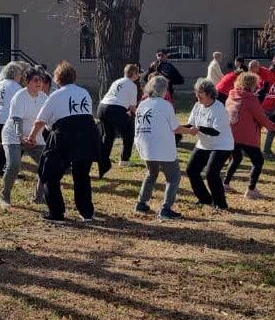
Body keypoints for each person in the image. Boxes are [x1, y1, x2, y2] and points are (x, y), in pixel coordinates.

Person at [26, 61, 99, 223]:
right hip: (87, 134)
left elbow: (41, 120)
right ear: (74, 77)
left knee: (49, 174)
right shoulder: (84, 92)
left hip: (64, 135)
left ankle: (57, 213)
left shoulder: (56, 95)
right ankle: (86, 213)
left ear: (57, 79)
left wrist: (31, 137)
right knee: (81, 175)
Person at [134, 75, 196, 218]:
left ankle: (141, 203)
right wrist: (191, 131)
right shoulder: (165, 105)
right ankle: (166, 208)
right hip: (162, 147)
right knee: (173, 177)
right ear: (164, 90)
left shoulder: (142, 104)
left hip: (145, 145)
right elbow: (175, 128)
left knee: (151, 173)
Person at [224, 72, 275, 200]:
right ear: (252, 84)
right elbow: (261, 117)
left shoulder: (231, 96)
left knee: (236, 158)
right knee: (258, 161)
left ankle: (225, 183)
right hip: (247, 136)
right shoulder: (250, 99)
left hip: (231, 134)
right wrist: (274, 127)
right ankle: (251, 190)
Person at [0, 66, 48, 209]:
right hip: (13, 136)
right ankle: (5, 196)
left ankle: (38, 197)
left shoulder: (44, 98)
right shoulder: (19, 96)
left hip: (34, 137)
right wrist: (21, 138)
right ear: (27, 81)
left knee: (47, 164)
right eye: (35, 80)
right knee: (14, 165)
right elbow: (16, 120)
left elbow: (49, 119)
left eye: (41, 80)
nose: (39, 83)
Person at [185, 78, 234, 209]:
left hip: (222, 145)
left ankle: (221, 204)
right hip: (204, 144)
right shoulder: (197, 106)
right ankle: (205, 199)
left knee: (211, 173)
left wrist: (198, 129)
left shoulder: (219, 108)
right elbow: (190, 125)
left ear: (209, 93)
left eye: (200, 92)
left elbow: (215, 132)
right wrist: (175, 128)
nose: (197, 95)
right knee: (191, 170)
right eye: (196, 92)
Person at [97, 64, 140, 177]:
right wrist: (139, 116)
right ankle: (124, 160)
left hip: (102, 107)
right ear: (134, 74)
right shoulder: (132, 85)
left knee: (108, 135)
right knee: (128, 133)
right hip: (114, 109)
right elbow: (132, 107)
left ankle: (103, 159)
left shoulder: (117, 81)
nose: (139, 75)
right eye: (137, 73)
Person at [0, 62, 25, 176]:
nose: (21, 77)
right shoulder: (16, 87)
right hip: (5, 119)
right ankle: (10, 169)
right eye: (20, 74)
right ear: (14, 74)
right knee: (17, 145)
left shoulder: (0, 84)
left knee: (4, 143)